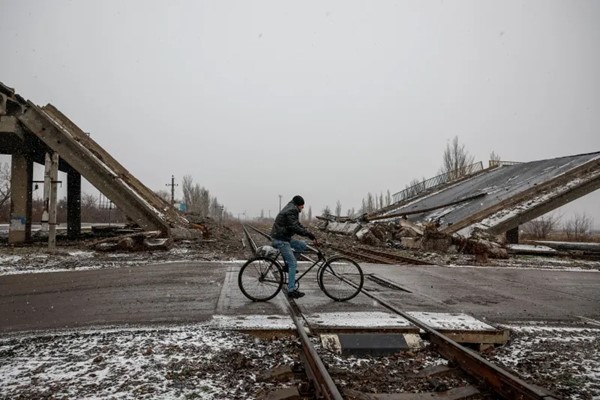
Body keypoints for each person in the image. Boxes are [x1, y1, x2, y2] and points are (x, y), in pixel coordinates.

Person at [271, 195, 316, 299]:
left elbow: (296, 224)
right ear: (298, 205)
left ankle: (288, 266)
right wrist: (308, 234)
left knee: (302, 245)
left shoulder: (291, 208)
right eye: (302, 206)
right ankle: (291, 290)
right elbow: (294, 227)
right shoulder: (292, 210)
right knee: (293, 263)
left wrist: (307, 231)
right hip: (280, 239)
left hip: (283, 237)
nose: (302, 208)